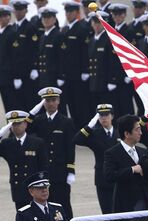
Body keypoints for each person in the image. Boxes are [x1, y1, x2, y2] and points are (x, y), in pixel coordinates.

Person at [103, 115, 148, 216]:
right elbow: (109, 176)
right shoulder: (112, 153)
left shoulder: (144, 151)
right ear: (127, 134)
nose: (141, 133)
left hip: (147, 205)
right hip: (126, 207)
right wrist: (132, 169)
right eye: (137, 130)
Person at [27, 87, 76, 218]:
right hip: (43, 172)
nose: (51, 103)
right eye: (47, 100)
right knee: (45, 206)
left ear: (58, 101)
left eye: (53, 100)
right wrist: (32, 113)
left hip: (60, 171)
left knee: (63, 205)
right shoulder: (38, 120)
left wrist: (71, 170)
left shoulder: (66, 122)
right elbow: (24, 127)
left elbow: (70, 148)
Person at [0, 110, 48, 209]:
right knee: (22, 217)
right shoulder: (7, 144)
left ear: (25, 124)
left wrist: (43, 187)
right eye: (13, 124)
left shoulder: (37, 142)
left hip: (35, 187)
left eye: (19, 123)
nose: (16, 126)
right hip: (18, 187)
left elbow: (43, 166)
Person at [73, 104, 119, 214]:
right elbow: (77, 140)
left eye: (106, 115)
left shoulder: (120, 133)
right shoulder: (95, 133)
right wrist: (89, 126)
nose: (104, 118)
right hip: (102, 177)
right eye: (100, 115)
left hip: (118, 176)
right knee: (107, 212)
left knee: (120, 210)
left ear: (112, 116)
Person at [59, 0, 92, 128]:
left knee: (80, 103)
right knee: (71, 103)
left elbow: (85, 51)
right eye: (67, 12)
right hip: (68, 74)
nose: (68, 14)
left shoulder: (82, 28)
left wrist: (85, 70)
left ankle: (83, 127)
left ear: (77, 13)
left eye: (71, 11)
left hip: (79, 74)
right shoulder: (65, 29)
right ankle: (76, 126)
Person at [10, 0, 41, 112]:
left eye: (21, 9)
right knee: (16, 102)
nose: (18, 12)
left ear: (26, 10)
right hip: (15, 72)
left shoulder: (30, 27)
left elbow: (35, 49)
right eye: (16, 9)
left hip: (27, 71)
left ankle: (31, 129)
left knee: (28, 101)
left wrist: (34, 67)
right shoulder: (13, 27)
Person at [87, 11, 117, 110]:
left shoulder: (108, 39)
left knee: (107, 110)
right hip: (94, 81)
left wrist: (112, 80)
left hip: (105, 82)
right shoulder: (92, 40)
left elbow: (112, 61)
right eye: (94, 22)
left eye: (99, 22)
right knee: (96, 109)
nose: (96, 25)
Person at [109, 3, 135, 116]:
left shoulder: (129, 31)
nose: (117, 17)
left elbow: (132, 55)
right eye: (115, 15)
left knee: (127, 108)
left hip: (125, 77)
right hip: (114, 77)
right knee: (116, 109)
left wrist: (128, 74)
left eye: (119, 14)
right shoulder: (111, 31)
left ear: (124, 15)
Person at [0, 5, 18, 112]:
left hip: (9, 75)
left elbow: (16, 56)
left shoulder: (12, 32)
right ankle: (10, 126)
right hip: (1, 74)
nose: (2, 19)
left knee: (13, 103)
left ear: (9, 17)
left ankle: (15, 127)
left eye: (4, 16)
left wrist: (17, 76)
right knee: (6, 104)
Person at [36, 6, 63, 90]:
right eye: (44, 18)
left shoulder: (58, 35)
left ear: (54, 19)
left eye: (49, 17)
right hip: (44, 76)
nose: (46, 20)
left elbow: (62, 57)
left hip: (54, 77)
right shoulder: (43, 36)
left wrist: (61, 76)